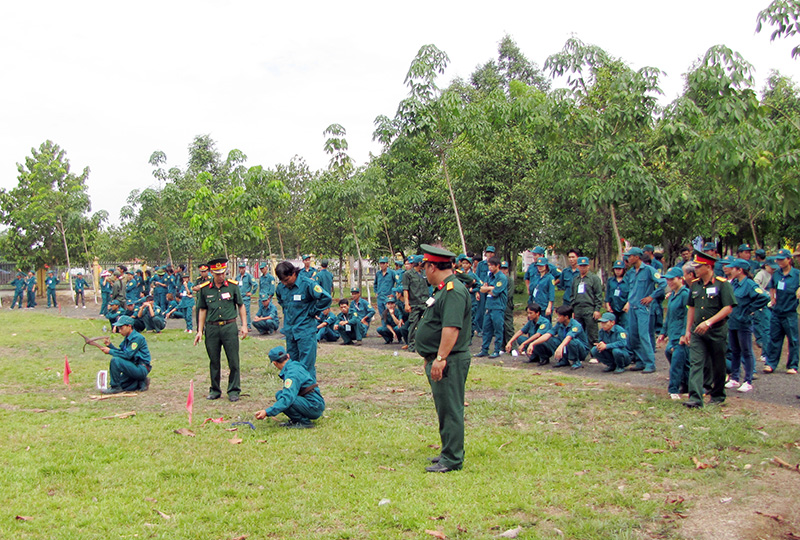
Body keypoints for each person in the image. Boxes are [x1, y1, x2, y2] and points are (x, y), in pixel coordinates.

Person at [415, 244, 472, 473]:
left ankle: (453, 458)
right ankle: (447, 451)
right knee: (444, 407)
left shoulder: (452, 291)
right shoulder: (442, 289)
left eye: (424, 268)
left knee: (451, 408)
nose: (423, 273)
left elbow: (451, 328)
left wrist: (440, 357)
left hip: (450, 360)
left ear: (431, 267)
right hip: (442, 358)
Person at [683, 250, 736, 408]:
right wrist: (687, 330)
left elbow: (728, 308)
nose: (695, 270)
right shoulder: (695, 285)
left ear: (708, 267)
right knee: (696, 363)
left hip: (716, 331)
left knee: (718, 364)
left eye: (698, 266)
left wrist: (709, 322)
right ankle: (695, 398)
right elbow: (691, 308)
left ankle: (718, 395)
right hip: (697, 332)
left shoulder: (722, 284)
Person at [194, 258, 248, 402]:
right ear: (212, 273)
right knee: (214, 361)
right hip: (211, 328)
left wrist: (244, 325)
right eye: (218, 274)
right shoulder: (205, 289)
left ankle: (234, 390)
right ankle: (215, 390)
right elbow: (202, 309)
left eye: (223, 273)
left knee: (233, 361)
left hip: (229, 327)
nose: (221, 276)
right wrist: (200, 330)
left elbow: (241, 305)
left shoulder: (232, 286)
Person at [275, 260, 332, 381]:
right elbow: (281, 300)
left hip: (305, 331)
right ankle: (296, 393)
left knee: (306, 366)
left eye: (286, 280)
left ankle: (310, 396)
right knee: (292, 365)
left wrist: (313, 311)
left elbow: (325, 298)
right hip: (290, 332)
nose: (284, 284)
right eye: (282, 281)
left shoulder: (307, 284)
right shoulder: (281, 288)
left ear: (294, 273)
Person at [725, 258, 769, 392]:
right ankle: (735, 378)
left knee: (746, 351)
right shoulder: (734, 284)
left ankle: (748, 380)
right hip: (733, 321)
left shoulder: (749, 284)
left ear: (740, 270)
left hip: (743, 322)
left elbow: (764, 297)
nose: (730, 270)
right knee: (735, 350)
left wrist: (749, 310)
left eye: (733, 268)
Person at [254, 346, 325, 428]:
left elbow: (287, 398)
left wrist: (267, 412)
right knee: (280, 394)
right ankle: (296, 420)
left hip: (314, 407)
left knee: (283, 398)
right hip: (316, 403)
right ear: (288, 356)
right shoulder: (294, 366)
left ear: (275, 363)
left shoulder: (291, 374)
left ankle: (304, 422)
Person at [623, 247, 666, 373]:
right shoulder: (631, 272)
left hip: (643, 308)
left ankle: (650, 363)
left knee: (644, 335)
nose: (628, 258)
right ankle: (640, 361)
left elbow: (662, 283)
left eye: (630, 256)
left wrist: (651, 296)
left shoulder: (649, 270)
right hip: (632, 307)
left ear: (637, 257)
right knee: (633, 336)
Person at [93, 315, 151, 394]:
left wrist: (110, 351)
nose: (119, 331)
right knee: (123, 385)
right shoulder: (127, 338)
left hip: (140, 367)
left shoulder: (137, 338)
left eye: (121, 328)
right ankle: (140, 382)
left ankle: (115, 387)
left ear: (129, 326)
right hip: (132, 366)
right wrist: (110, 346)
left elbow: (127, 355)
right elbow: (121, 353)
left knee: (115, 360)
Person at [764, 248, 800, 375]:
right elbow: (772, 286)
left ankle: (793, 365)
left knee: (793, 340)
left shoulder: (797, 274)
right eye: (778, 259)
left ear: (789, 260)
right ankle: (771, 363)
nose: (779, 262)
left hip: (790, 312)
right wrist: (772, 298)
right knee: (774, 338)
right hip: (777, 312)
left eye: (782, 259)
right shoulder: (777, 274)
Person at [657, 267, 690, 400]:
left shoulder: (685, 294)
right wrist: (663, 332)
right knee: (680, 360)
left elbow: (688, 316)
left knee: (677, 362)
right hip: (672, 333)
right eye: (668, 280)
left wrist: (684, 333)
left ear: (680, 279)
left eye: (672, 279)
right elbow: (669, 316)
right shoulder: (672, 295)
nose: (669, 282)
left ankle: (673, 389)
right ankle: (686, 384)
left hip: (680, 335)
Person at [475, 256, 508, 358]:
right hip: (489, 306)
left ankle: (497, 350)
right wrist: (489, 288)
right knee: (486, 329)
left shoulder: (502, 277)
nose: (490, 267)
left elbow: (496, 292)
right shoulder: (489, 276)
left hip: (498, 307)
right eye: (489, 265)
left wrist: (488, 288)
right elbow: (482, 289)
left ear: (497, 266)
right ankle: (484, 349)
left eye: (492, 265)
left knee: (498, 329)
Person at [570, 256, 603, 344]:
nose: (582, 268)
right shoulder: (576, 279)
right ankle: (581, 352)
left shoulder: (594, 278)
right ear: (578, 266)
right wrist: (572, 310)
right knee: (577, 332)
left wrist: (597, 309)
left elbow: (598, 295)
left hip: (589, 308)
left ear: (588, 266)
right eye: (581, 266)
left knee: (592, 333)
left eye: (584, 266)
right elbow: (572, 295)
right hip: (578, 308)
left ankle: (594, 354)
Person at [403, 255, 429, 352]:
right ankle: (412, 345)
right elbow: (406, 289)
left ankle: (423, 345)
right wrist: (407, 303)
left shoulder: (424, 273)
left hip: (424, 303)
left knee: (425, 324)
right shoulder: (408, 274)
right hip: (414, 303)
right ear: (419, 263)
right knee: (413, 325)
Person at [753, 256, 777, 359]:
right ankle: (765, 353)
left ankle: (769, 352)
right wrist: (766, 294)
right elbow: (755, 286)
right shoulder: (761, 274)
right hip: (763, 305)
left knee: (771, 329)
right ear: (766, 265)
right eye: (771, 267)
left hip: (773, 304)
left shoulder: (775, 274)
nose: (773, 269)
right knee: (766, 329)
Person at [605, 260, 628, 328]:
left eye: (619, 269)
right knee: (613, 327)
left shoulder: (628, 280)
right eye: (616, 269)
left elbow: (631, 294)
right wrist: (607, 305)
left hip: (624, 308)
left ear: (623, 269)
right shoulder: (610, 281)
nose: (617, 271)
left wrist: (628, 304)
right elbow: (607, 294)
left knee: (625, 327)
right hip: (613, 308)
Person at [237, 262, 255, 331]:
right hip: (240, 297)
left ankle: (248, 326)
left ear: (245, 268)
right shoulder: (238, 277)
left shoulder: (249, 276)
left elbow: (255, 284)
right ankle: (243, 325)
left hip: (246, 297)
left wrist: (251, 292)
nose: (241, 269)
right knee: (240, 312)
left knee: (246, 312)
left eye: (243, 268)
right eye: (240, 268)